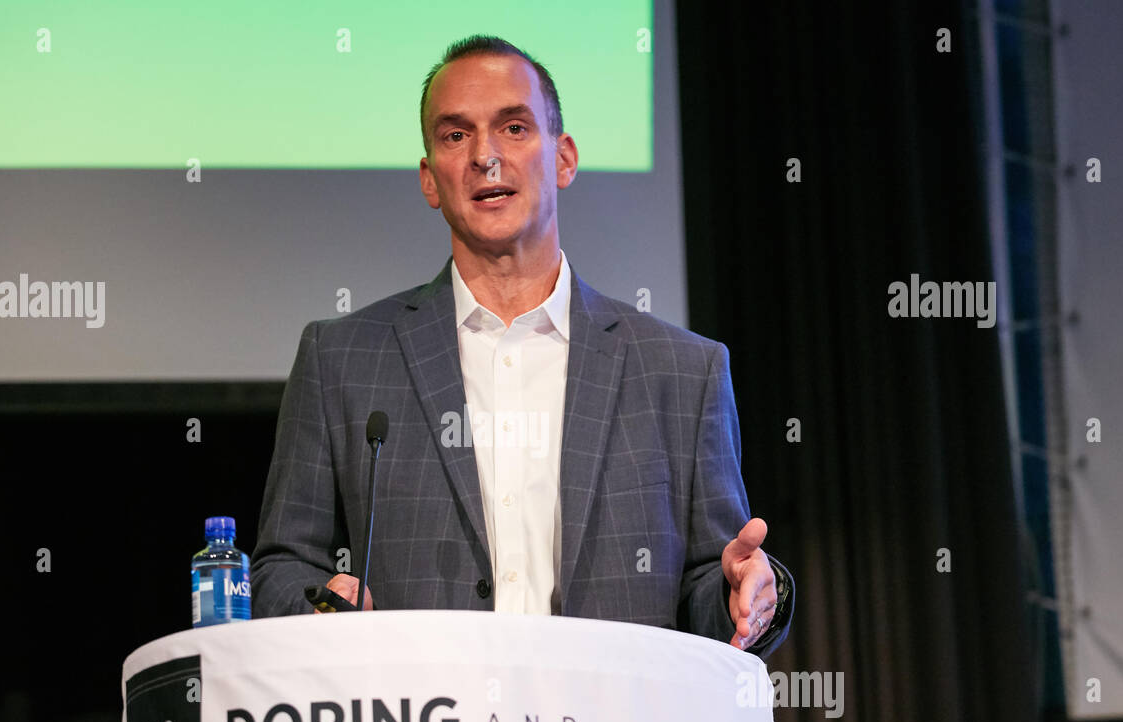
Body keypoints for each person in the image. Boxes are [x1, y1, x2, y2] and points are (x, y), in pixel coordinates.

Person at [252, 35, 794, 657]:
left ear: (563, 158)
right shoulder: (341, 359)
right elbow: (280, 570)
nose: (485, 156)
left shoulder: (682, 371)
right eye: (456, 136)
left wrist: (744, 595)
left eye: (513, 128)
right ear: (430, 179)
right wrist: (324, 607)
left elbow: (713, 586)